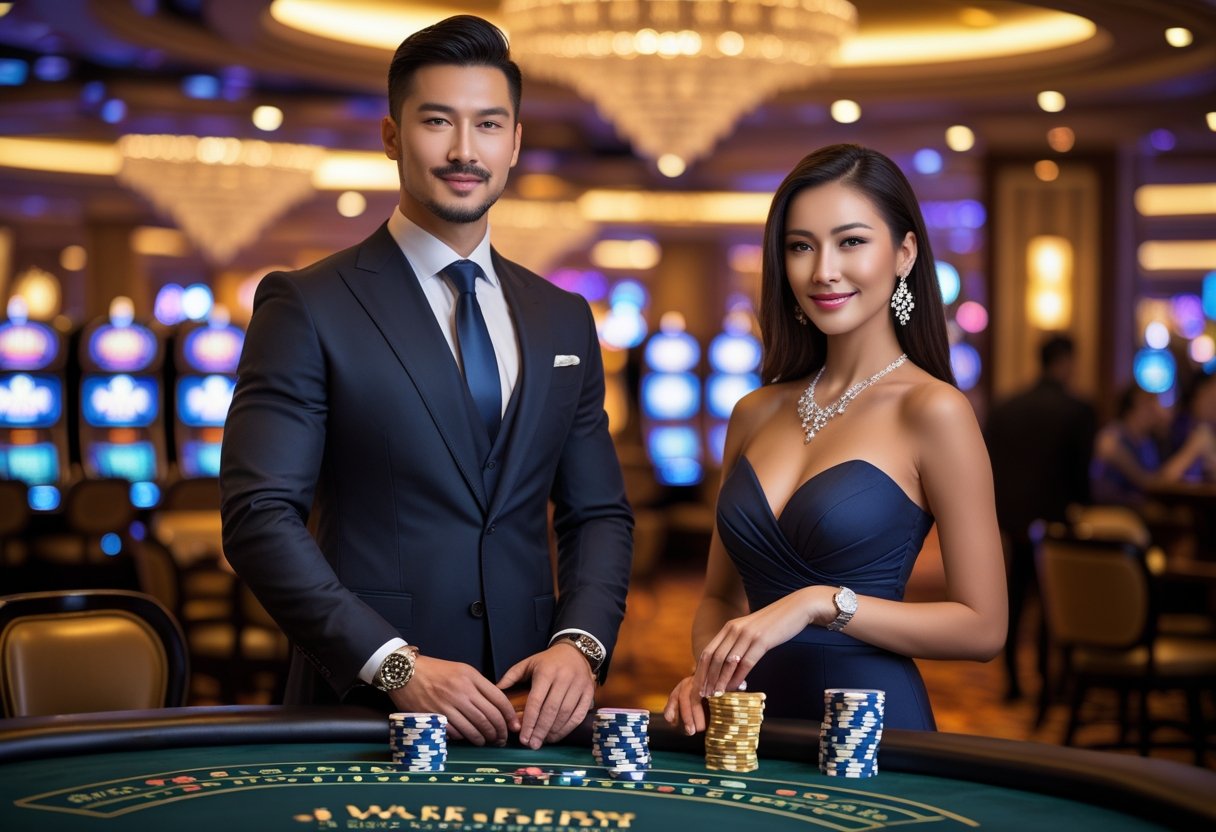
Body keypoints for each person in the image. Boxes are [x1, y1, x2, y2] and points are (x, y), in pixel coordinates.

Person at [220, 15, 633, 750]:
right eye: (437, 121)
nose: (464, 150)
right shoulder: (308, 303)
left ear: (514, 143)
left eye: (488, 125)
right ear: (391, 136)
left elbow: (597, 513)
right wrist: (393, 664)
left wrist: (581, 644)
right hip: (362, 709)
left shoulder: (564, 316)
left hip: (525, 707)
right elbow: (259, 516)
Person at [663, 144, 1006, 733]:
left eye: (850, 242)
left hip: (869, 732)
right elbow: (720, 599)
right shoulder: (753, 411)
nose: (822, 269)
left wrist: (822, 603)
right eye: (801, 246)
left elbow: (983, 628)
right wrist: (710, 672)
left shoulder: (934, 410)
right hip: (750, 728)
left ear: (904, 254)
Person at [985, 334, 1096, 701]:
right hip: (1056, 521)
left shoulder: (1006, 408)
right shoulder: (1078, 410)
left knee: (1015, 600)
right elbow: (1080, 476)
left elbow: (991, 467)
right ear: (1066, 362)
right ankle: (1050, 682)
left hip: (1013, 520)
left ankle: (1012, 681)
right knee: (1053, 604)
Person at [1091, 384, 1213, 505]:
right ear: (1135, 406)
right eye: (1150, 405)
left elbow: (1156, 479)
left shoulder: (1146, 442)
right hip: (1111, 508)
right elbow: (1148, 483)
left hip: (1138, 505)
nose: (1156, 410)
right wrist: (1190, 450)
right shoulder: (1112, 437)